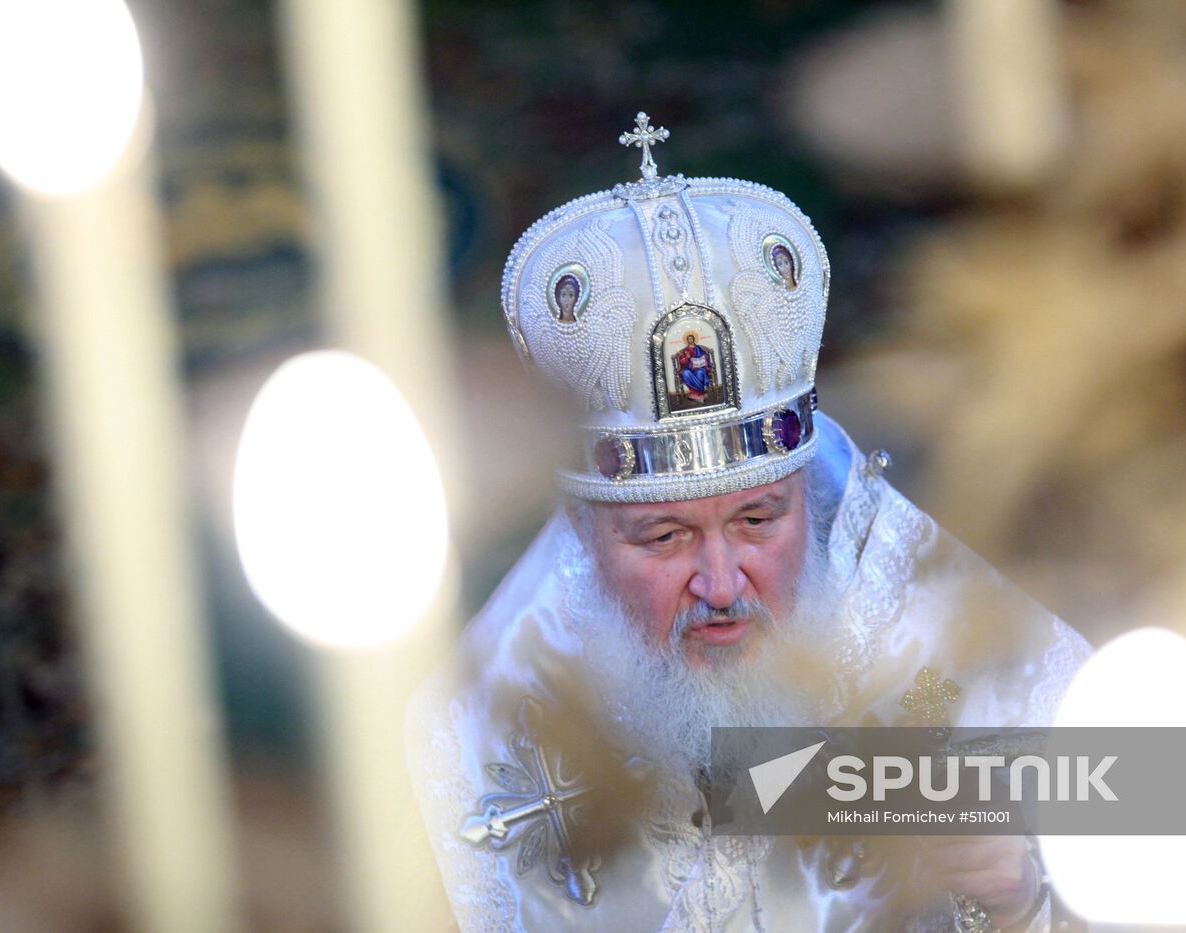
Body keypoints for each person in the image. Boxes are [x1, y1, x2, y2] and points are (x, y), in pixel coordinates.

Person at [407, 117, 1091, 932]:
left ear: (806, 490)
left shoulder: (969, 657)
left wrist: (1014, 897)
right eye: (665, 537)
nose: (724, 585)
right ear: (584, 532)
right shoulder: (487, 725)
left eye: (759, 519)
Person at [674, 332, 713, 402]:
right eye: (689, 339)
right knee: (685, 373)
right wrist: (687, 358)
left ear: (694, 339)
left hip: (700, 367)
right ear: (687, 341)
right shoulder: (685, 350)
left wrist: (705, 357)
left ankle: (700, 393)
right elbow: (682, 361)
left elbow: (705, 355)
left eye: (691, 339)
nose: (690, 340)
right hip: (690, 368)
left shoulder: (698, 348)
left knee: (700, 372)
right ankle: (695, 393)